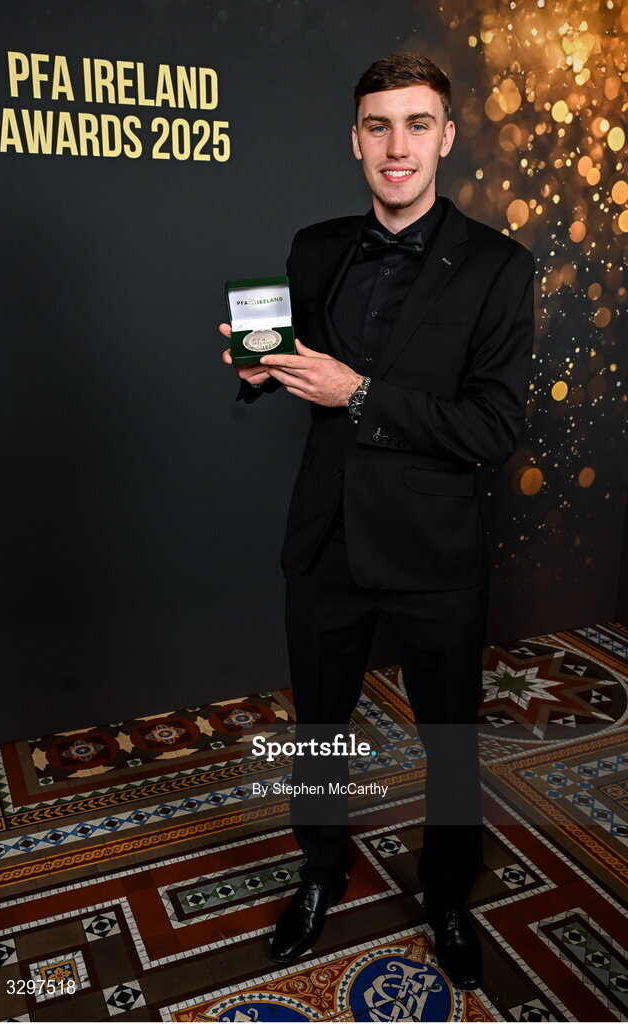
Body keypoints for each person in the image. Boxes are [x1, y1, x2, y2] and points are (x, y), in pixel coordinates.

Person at [219, 52, 535, 990]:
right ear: (353, 138)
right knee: (317, 728)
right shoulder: (316, 248)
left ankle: (446, 891)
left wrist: (360, 394)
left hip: (435, 550)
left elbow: (494, 426)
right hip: (325, 539)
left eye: (415, 124)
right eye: (376, 126)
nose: (395, 147)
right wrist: (259, 376)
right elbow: (299, 367)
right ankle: (319, 870)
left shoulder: (499, 267)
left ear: (445, 136)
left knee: (449, 733)